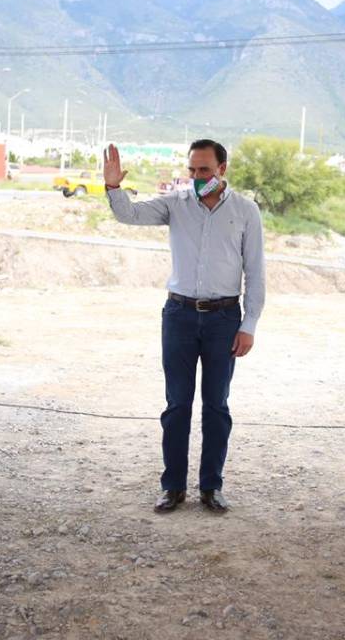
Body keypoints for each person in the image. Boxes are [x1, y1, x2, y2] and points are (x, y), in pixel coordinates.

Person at [103, 140, 265, 514]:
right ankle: (172, 487)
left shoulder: (245, 211)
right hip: (179, 316)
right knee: (177, 405)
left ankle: (212, 487)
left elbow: (255, 272)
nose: (195, 178)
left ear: (223, 169)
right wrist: (113, 187)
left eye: (204, 171)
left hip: (224, 319)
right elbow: (130, 214)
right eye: (191, 170)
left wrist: (249, 324)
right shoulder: (176, 204)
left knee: (217, 406)